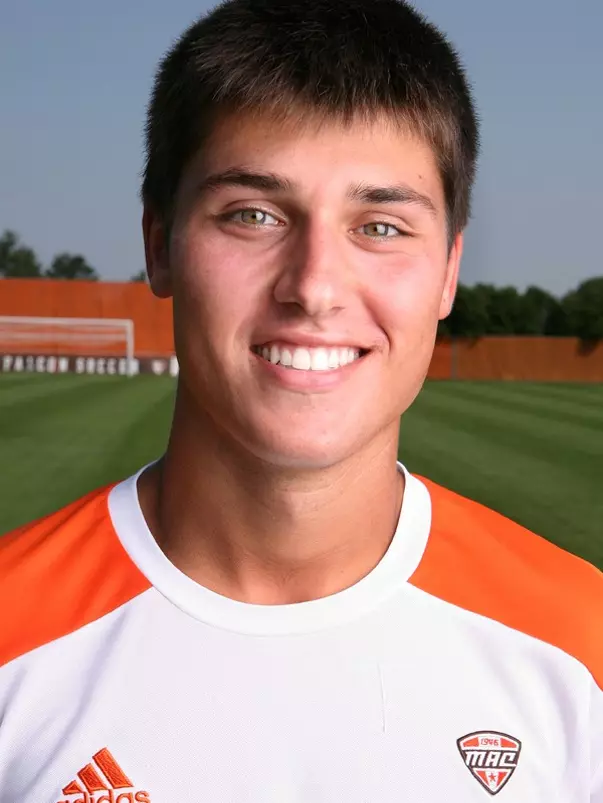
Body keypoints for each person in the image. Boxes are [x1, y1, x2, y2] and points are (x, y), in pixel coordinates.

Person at [1, 0, 602, 800]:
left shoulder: (577, 646)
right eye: (251, 215)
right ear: (159, 242)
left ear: (449, 270)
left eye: (381, 226)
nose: (314, 287)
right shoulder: (14, 637)